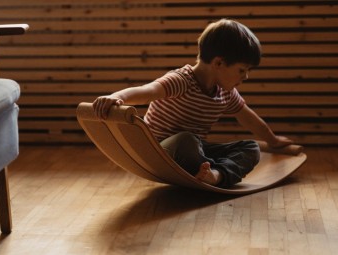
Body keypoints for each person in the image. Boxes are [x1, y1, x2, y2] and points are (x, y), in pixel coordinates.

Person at [92, 18, 293, 188]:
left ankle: (215, 175)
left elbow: (249, 118)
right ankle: (214, 170)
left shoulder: (225, 92)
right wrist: (117, 97)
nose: (245, 76)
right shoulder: (182, 80)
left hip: (194, 152)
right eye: (242, 70)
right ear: (219, 63)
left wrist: (273, 141)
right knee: (187, 140)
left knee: (251, 148)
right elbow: (147, 91)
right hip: (163, 153)